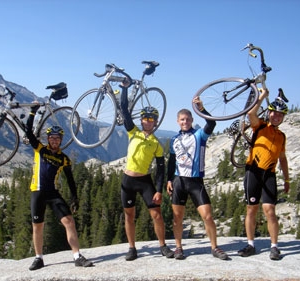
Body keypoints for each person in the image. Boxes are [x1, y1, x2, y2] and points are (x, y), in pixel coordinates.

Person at [26, 104, 93, 270]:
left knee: (69, 221)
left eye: (57, 138)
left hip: (53, 193)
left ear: (61, 140)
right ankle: (39, 258)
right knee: (38, 226)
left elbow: (70, 180)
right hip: (37, 192)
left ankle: (77, 256)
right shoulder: (40, 149)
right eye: (52, 137)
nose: (54, 140)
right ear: (48, 139)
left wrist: (74, 197)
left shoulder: (64, 159)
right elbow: (28, 131)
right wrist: (32, 112)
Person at [166, 97, 228, 260]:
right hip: (179, 181)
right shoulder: (174, 139)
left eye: (187, 119)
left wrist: (202, 109)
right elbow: (171, 161)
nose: (185, 121)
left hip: (195, 181)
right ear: (178, 121)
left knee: (207, 216)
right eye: (182, 119)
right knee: (177, 218)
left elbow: (212, 123)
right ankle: (178, 248)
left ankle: (214, 247)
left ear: (192, 120)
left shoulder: (200, 135)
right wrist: (169, 180)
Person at [119, 79, 174, 261]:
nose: (148, 121)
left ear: (156, 122)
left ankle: (163, 246)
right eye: (145, 118)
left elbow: (161, 170)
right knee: (129, 216)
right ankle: (132, 248)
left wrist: (158, 190)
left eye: (151, 119)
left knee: (157, 215)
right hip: (128, 180)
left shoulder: (156, 144)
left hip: (145, 182)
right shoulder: (132, 131)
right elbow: (124, 110)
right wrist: (125, 90)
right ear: (141, 120)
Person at [237, 88, 290, 260]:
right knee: (251, 209)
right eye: (274, 114)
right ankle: (251, 244)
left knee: (270, 211)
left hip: (270, 175)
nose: (277, 117)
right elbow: (251, 113)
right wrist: (262, 96)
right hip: (253, 171)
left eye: (280, 115)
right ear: (269, 113)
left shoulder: (281, 136)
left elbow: (282, 158)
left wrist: (287, 179)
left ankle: (274, 247)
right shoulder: (259, 126)